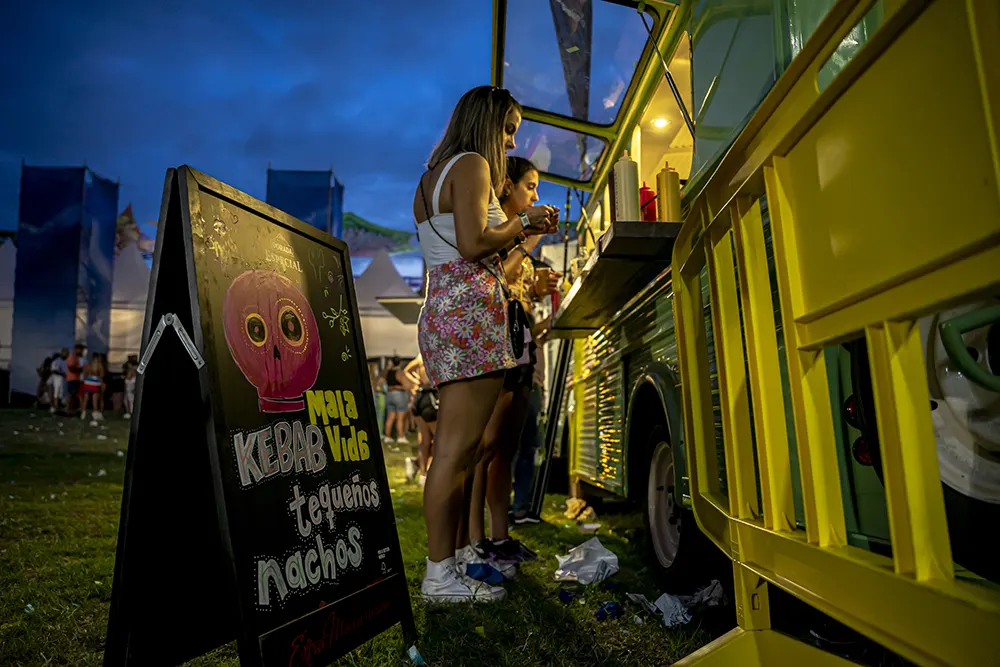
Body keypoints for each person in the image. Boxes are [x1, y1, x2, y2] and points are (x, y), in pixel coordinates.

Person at [413, 85, 558, 603]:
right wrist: (524, 226)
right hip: (471, 311)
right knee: (457, 452)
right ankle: (439, 576)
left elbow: (452, 246)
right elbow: (474, 245)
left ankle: (448, 563)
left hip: (444, 309)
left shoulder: (431, 177)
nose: (510, 139)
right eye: (508, 128)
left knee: (459, 451)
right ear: (486, 122)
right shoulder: (472, 164)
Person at [465, 157, 561, 566]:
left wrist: (538, 287)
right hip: (495, 339)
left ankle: (500, 536)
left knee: (507, 445)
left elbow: (515, 286)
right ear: (507, 186)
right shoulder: (497, 227)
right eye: (530, 186)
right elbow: (495, 278)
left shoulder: (515, 231)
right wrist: (527, 240)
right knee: (485, 445)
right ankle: (473, 539)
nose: (536, 196)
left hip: (520, 339)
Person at [405, 354, 438, 486]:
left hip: (420, 395)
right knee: (438, 438)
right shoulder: (434, 354)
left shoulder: (421, 355)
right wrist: (417, 380)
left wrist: (415, 381)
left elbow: (407, 371)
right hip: (430, 396)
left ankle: (423, 475)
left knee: (425, 439)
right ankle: (429, 472)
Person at [382, 357, 409, 443]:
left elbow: (386, 384)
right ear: (400, 363)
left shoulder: (388, 372)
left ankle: (387, 436)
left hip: (389, 395)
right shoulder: (399, 373)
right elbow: (406, 386)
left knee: (390, 417)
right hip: (399, 395)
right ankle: (400, 436)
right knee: (400, 418)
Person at [80, 353, 105, 421]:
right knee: (95, 398)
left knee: (86, 398)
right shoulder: (99, 365)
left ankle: (83, 413)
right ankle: (95, 413)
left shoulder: (87, 365)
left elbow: (84, 374)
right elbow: (101, 376)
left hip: (88, 381)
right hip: (96, 382)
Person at [48, 348, 69, 414]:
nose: (67, 355)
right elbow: (54, 370)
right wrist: (63, 374)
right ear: (62, 353)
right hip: (57, 378)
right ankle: (55, 407)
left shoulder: (67, 361)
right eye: (66, 353)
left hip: (63, 379)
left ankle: (57, 407)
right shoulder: (57, 361)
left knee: (61, 393)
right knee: (56, 393)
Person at [66, 344, 84, 414]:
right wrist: (80, 369)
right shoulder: (72, 357)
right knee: (70, 394)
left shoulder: (76, 357)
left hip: (76, 378)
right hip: (72, 378)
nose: (81, 351)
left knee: (73, 395)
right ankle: (68, 409)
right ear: (76, 349)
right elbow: (71, 368)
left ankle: (70, 409)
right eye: (80, 350)